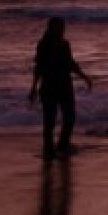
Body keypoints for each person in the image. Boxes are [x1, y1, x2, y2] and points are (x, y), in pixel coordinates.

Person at [29, 17, 93, 161]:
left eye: (62, 27)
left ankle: (62, 145)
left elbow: (70, 63)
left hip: (65, 85)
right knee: (49, 121)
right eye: (59, 27)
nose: (62, 30)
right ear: (51, 28)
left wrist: (84, 76)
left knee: (70, 118)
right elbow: (38, 68)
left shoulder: (65, 44)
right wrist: (33, 88)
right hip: (49, 86)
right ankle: (49, 149)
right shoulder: (43, 45)